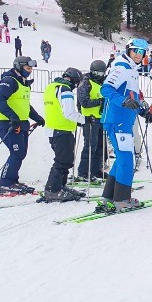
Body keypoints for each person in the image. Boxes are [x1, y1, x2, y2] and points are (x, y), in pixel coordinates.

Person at [97, 39, 152, 212]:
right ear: (129, 50)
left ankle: (110, 197)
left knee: (122, 159)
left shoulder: (131, 69)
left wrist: (142, 111)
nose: (138, 54)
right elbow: (105, 89)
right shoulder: (122, 66)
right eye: (135, 50)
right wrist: (123, 102)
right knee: (127, 160)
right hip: (117, 120)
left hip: (123, 120)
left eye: (142, 52)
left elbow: (131, 98)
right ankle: (122, 199)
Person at [0, 56, 46, 193]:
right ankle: (5, 183)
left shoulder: (22, 82)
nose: (30, 71)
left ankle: (12, 180)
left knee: (21, 153)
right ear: (18, 67)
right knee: (16, 153)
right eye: (27, 68)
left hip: (21, 123)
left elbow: (24, 104)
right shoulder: (9, 81)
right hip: (8, 123)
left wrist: (37, 117)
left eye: (31, 69)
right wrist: (12, 116)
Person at [41, 68, 87, 202]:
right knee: (63, 160)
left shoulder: (52, 87)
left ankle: (61, 186)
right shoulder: (65, 90)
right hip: (61, 129)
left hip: (54, 128)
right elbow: (69, 112)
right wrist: (85, 120)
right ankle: (52, 190)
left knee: (66, 159)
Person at [74, 60, 107, 183]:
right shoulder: (85, 82)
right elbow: (84, 102)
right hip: (90, 119)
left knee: (100, 146)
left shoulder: (103, 82)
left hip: (101, 118)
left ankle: (95, 169)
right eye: (97, 72)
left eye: (102, 73)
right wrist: (100, 101)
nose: (100, 75)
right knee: (90, 145)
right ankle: (83, 172)